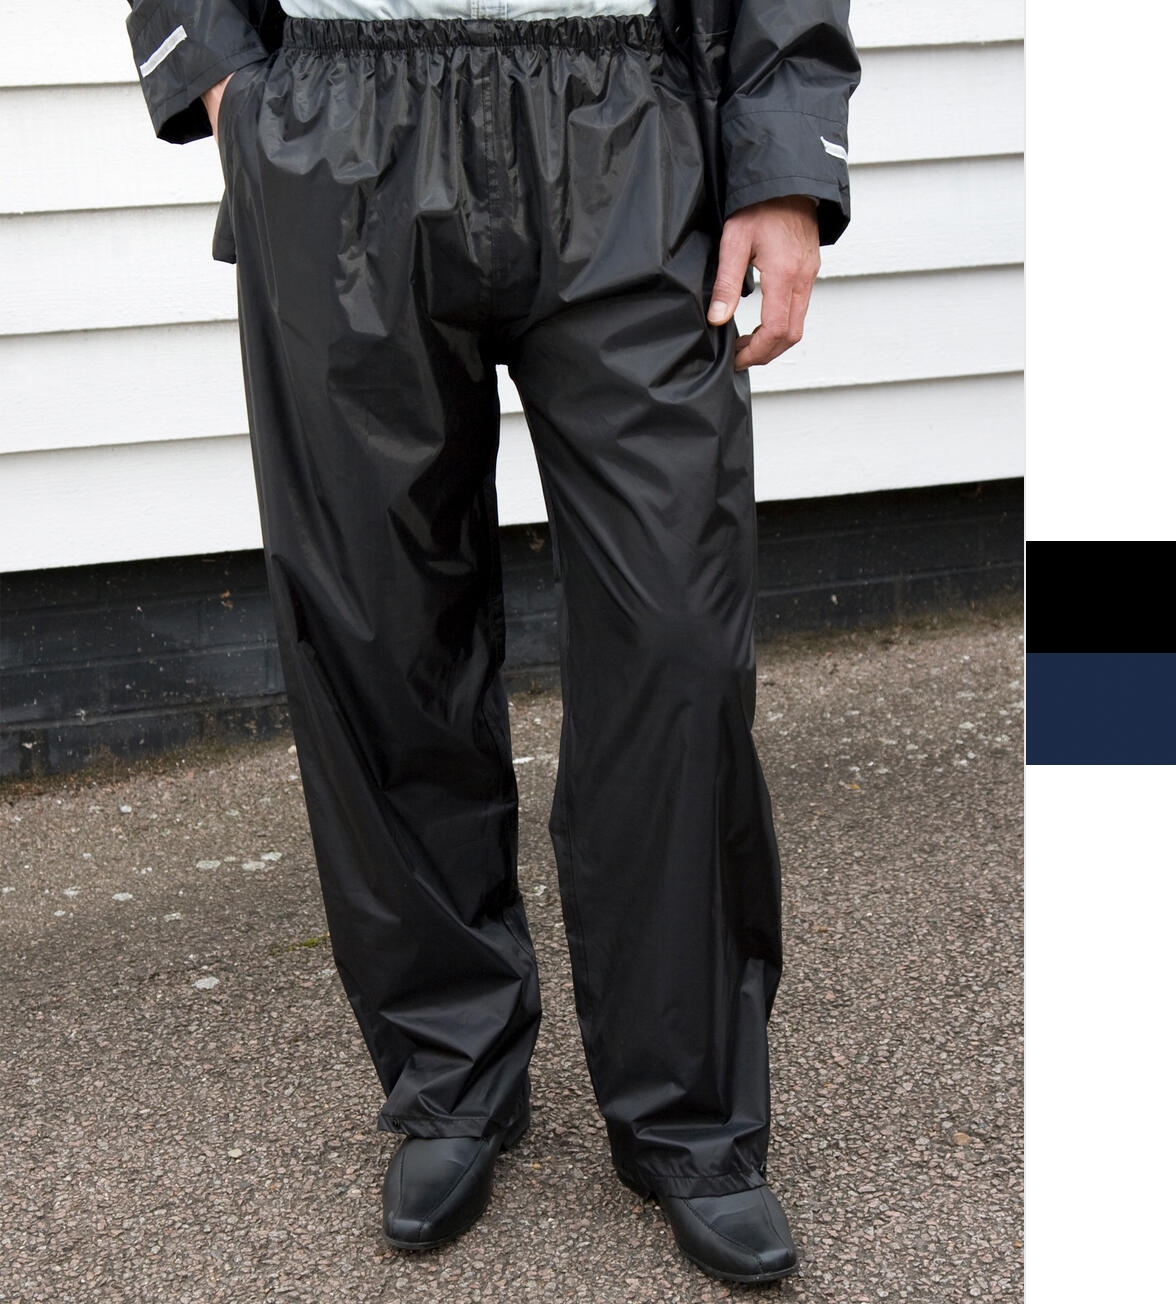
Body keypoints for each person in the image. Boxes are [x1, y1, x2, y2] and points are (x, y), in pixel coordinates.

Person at [126, 0, 857, 1284]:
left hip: (629, 117)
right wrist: (229, 83)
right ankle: (450, 1071)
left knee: (677, 640)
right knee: (378, 629)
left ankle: (689, 1113)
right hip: (341, 120)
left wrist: (786, 159)